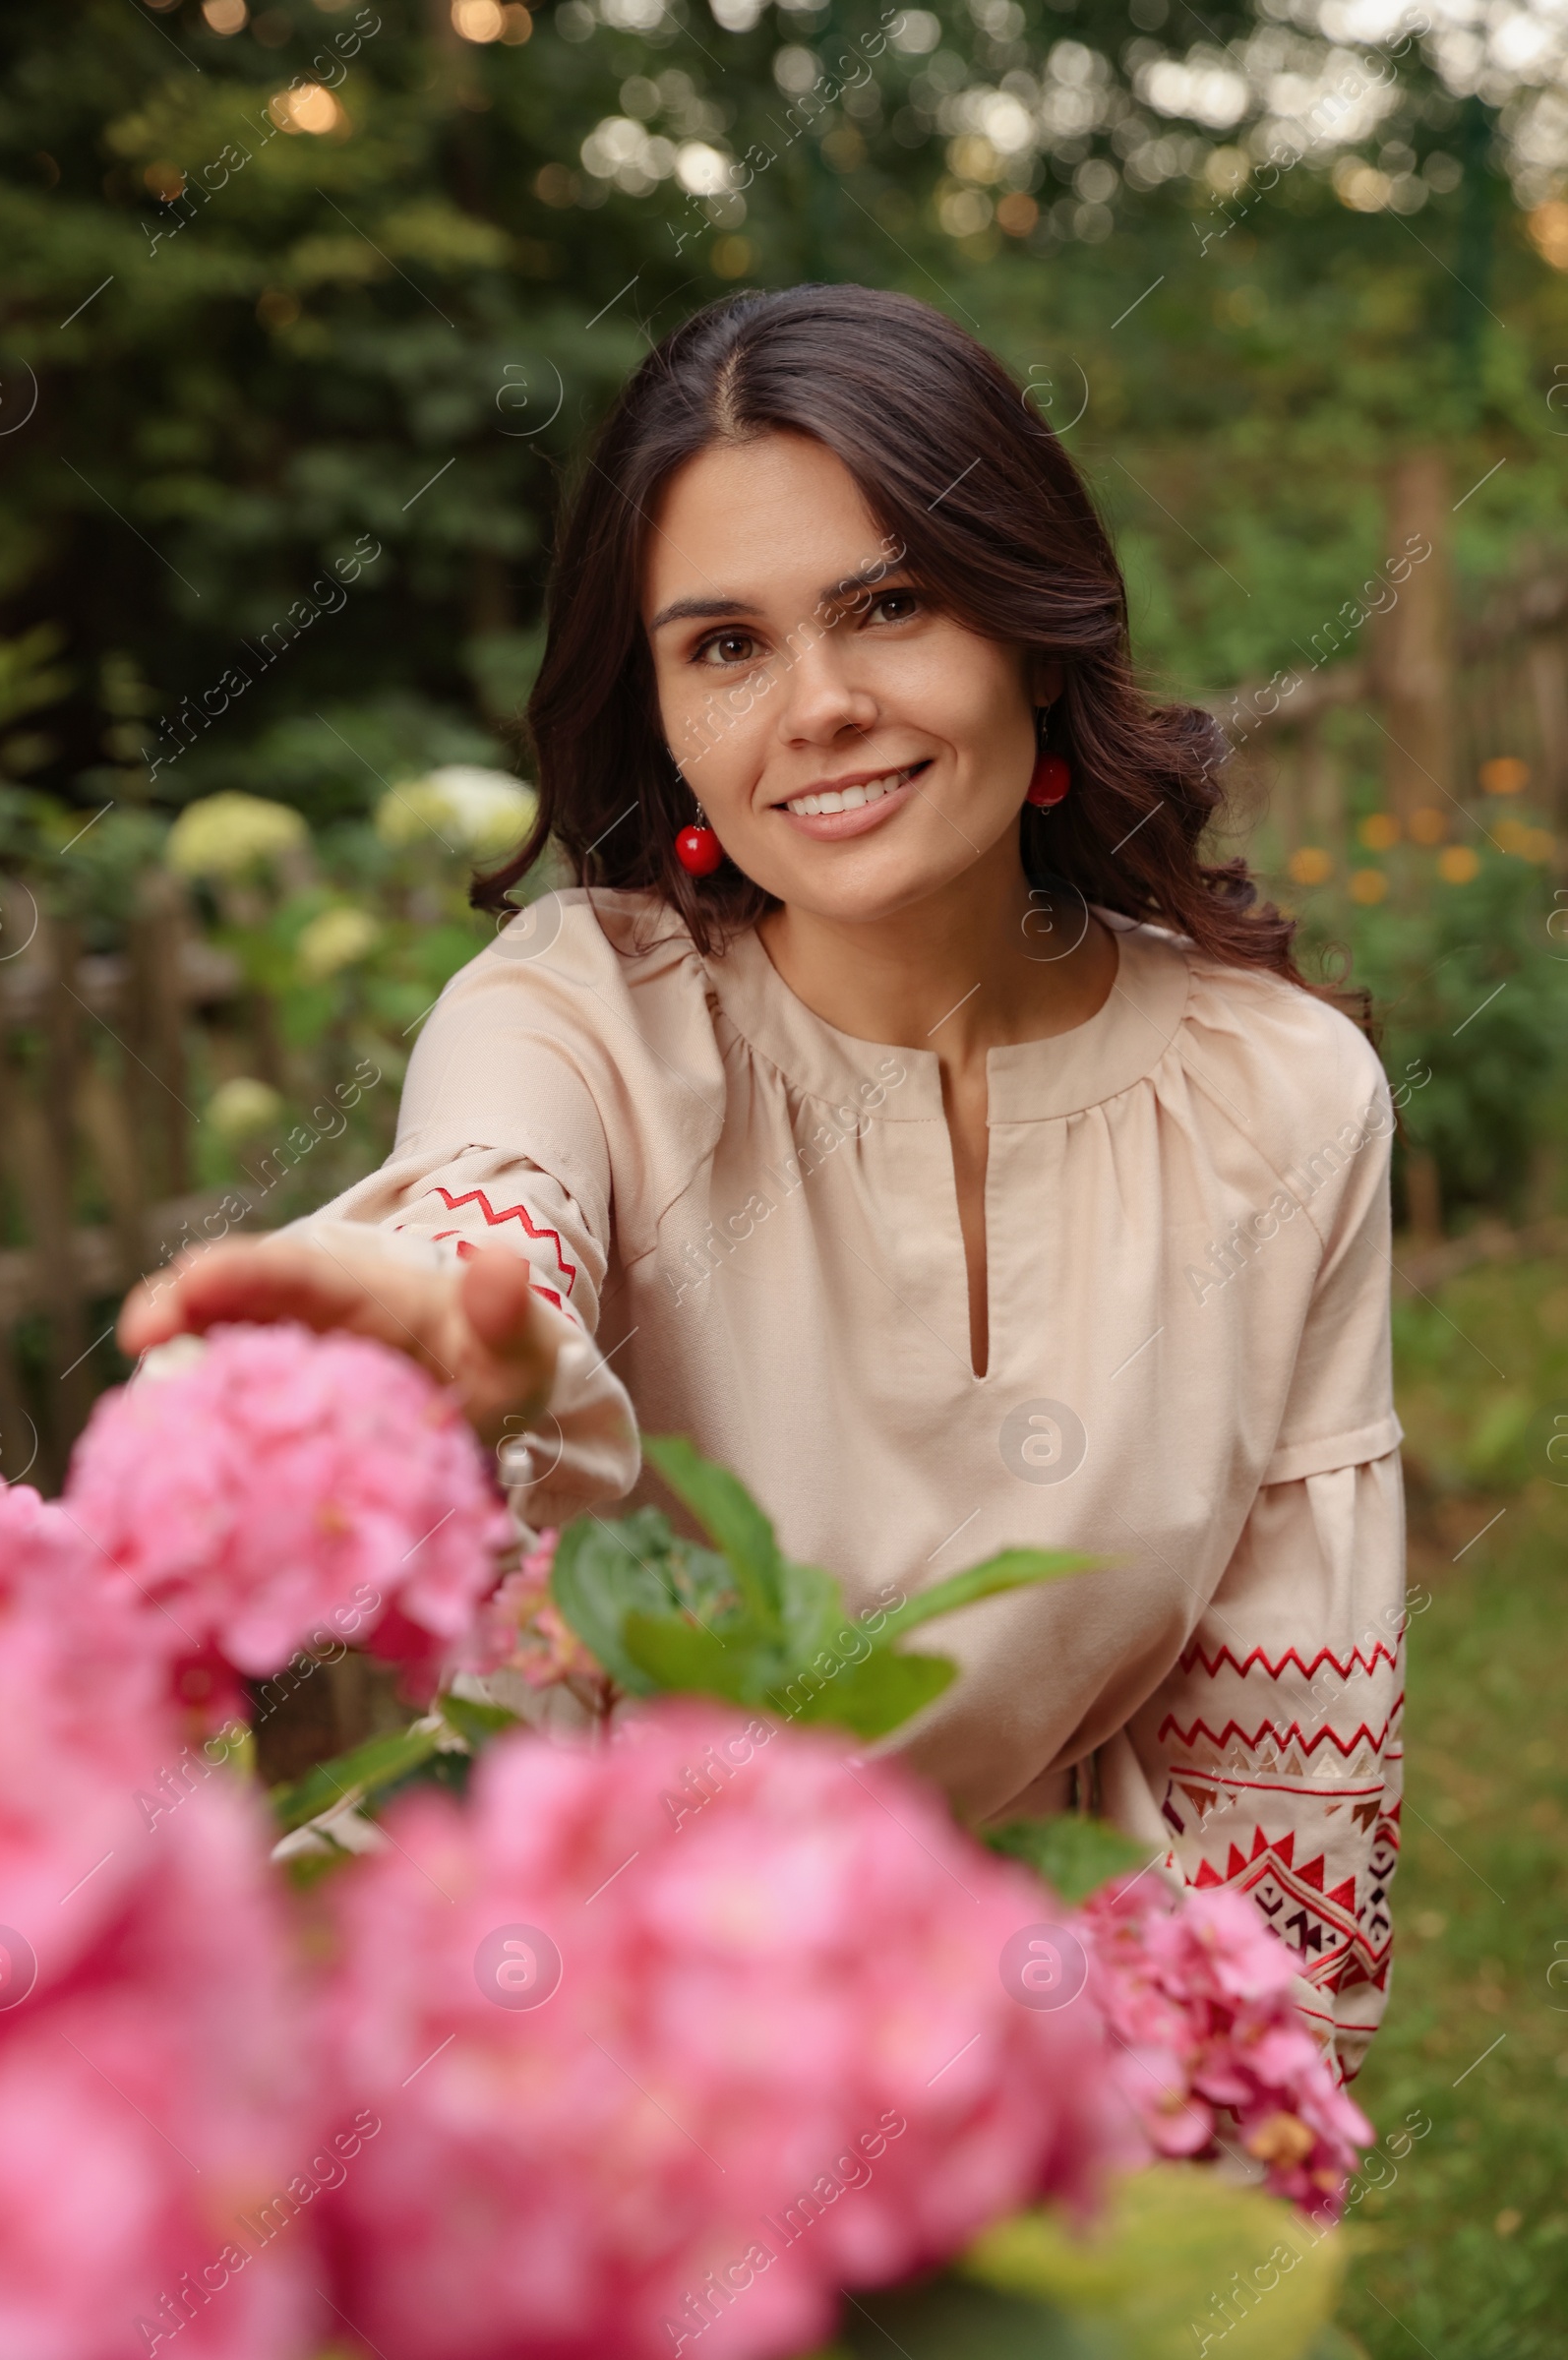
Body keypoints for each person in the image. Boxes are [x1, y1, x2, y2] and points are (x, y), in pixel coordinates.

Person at [121, 284, 1404, 2082]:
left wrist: (1228, 2147)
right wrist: (445, 1338)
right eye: (724, 646)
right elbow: (494, 1207)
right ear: (660, 710)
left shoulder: (1281, 1096)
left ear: (1033, 631)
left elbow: (1289, 1748)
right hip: (594, 2039)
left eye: (889, 605)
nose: (820, 706)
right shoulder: (585, 1013)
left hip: (1052, 2049)